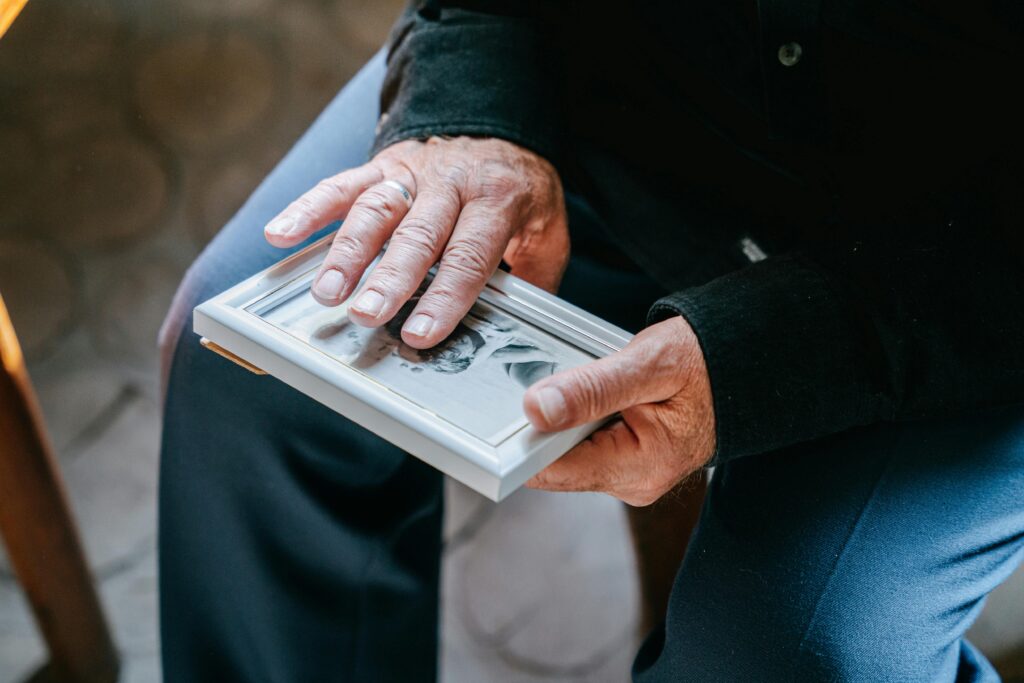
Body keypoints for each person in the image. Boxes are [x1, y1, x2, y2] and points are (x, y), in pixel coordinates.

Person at [158, 1, 1024, 681]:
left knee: (801, 648)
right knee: (251, 360)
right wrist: (470, 106)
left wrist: (766, 362)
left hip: (965, 264)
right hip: (629, 97)